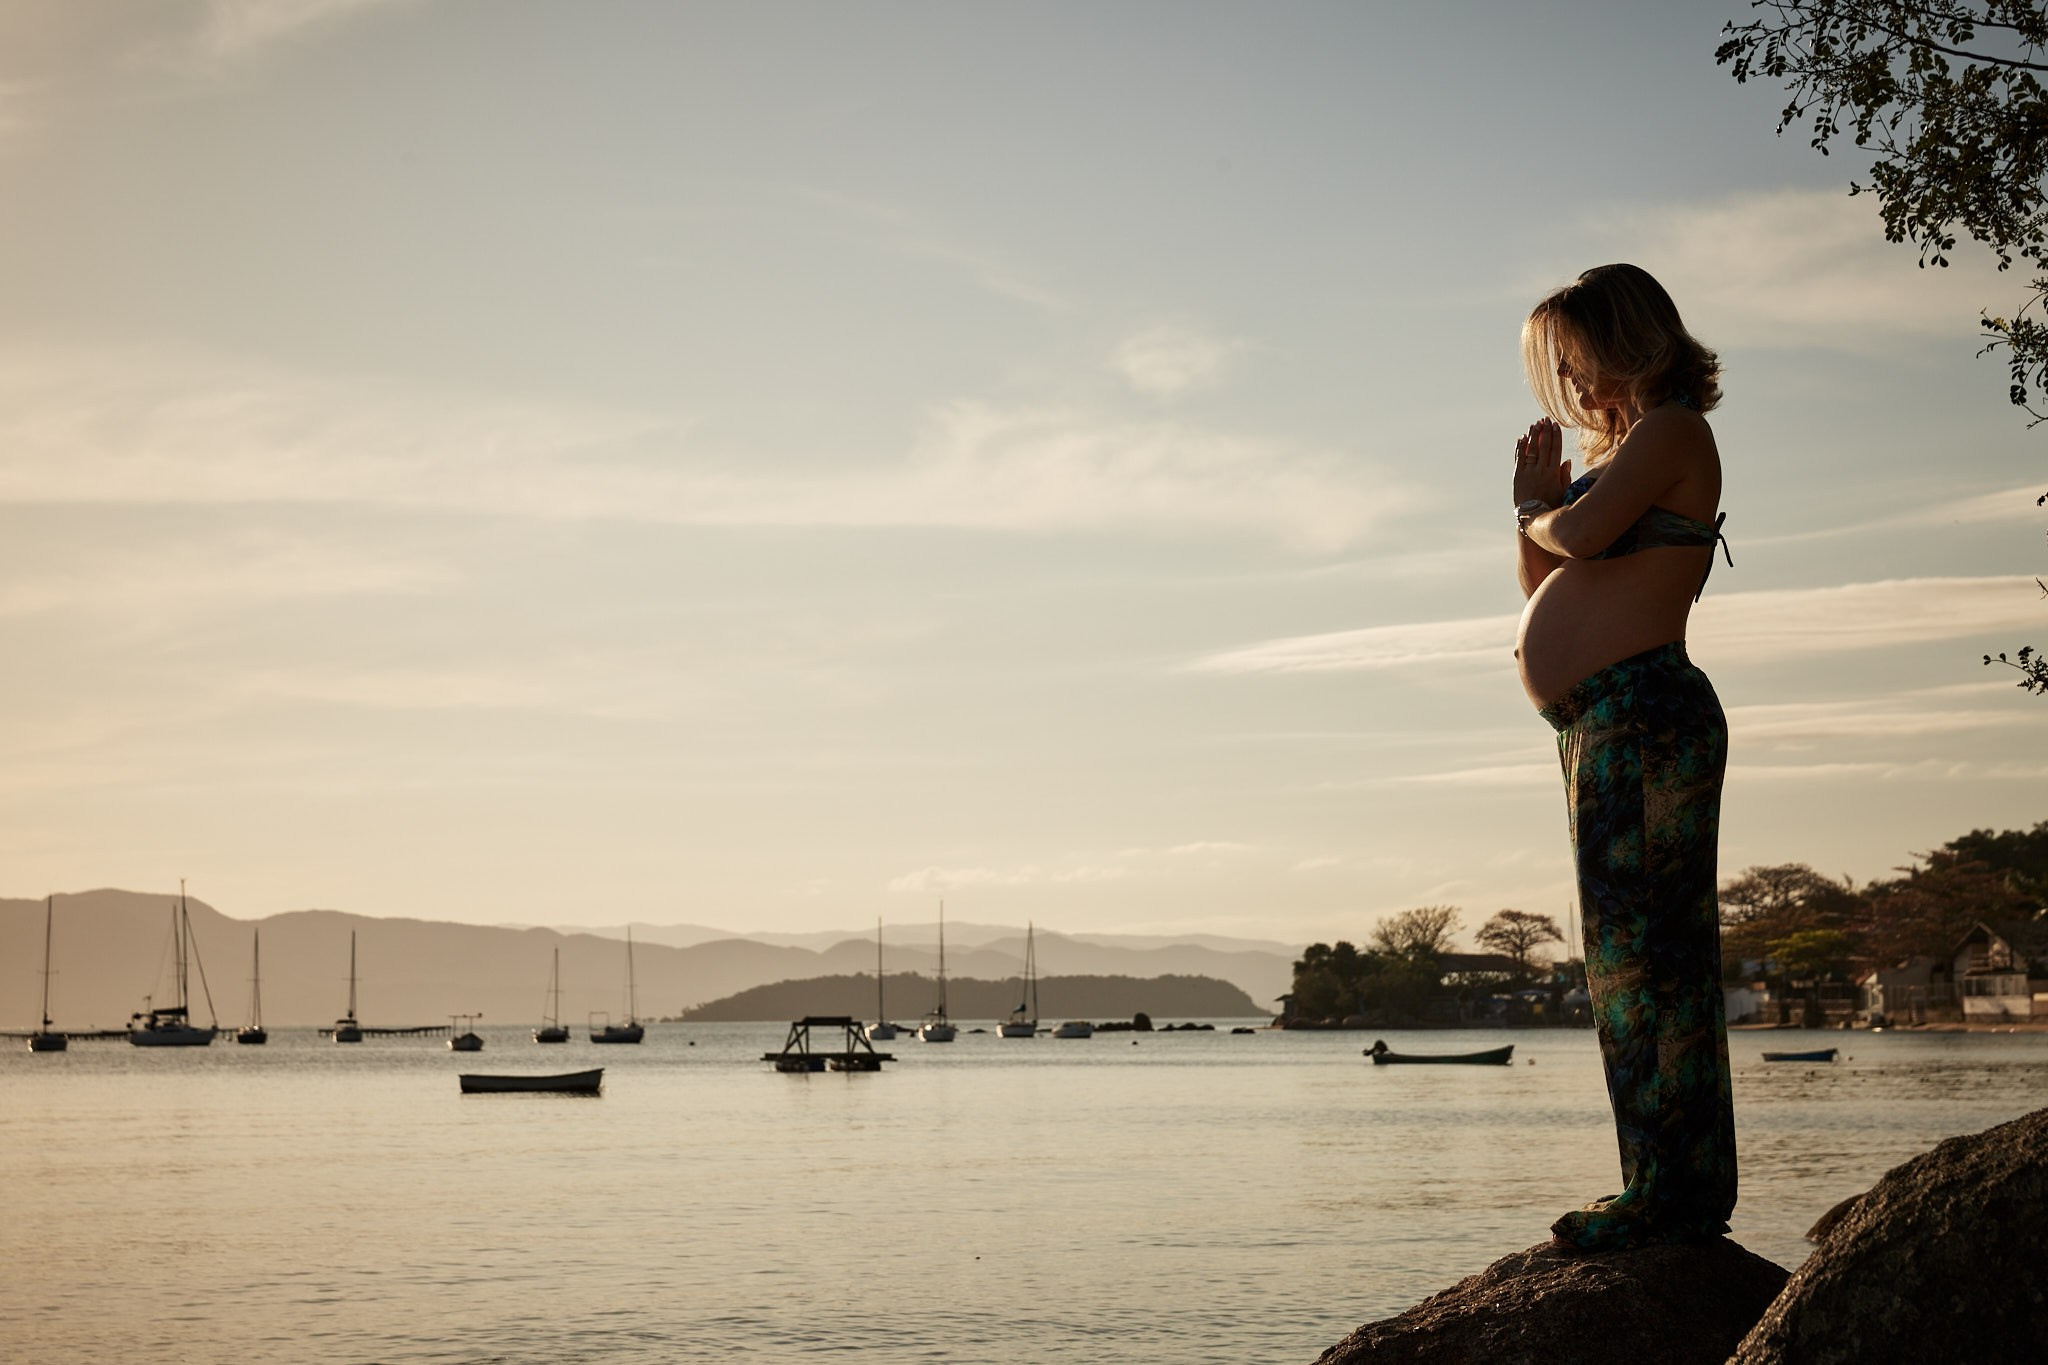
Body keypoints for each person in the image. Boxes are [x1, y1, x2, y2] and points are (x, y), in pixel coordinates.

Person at [1510, 263, 1736, 1252]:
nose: (1571, 384)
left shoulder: (1671, 433)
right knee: (1617, 963)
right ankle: (1652, 1179)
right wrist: (1530, 509)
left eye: (1578, 361)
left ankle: (1675, 1191)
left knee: (1655, 960)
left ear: (1627, 341)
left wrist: (1539, 508)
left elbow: (1586, 534)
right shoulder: (1620, 451)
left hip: (1645, 709)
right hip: (1597, 719)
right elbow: (1540, 581)